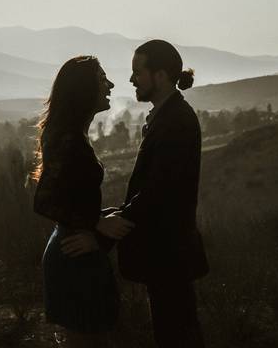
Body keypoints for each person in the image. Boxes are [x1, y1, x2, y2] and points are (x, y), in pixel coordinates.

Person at [32, 55, 135, 348]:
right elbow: (45, 201)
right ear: (83, 89)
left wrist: (104, 218)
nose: (111, 84)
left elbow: (73, 200)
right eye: (103, 79)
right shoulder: (68, 139)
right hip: (72, 253)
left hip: (76, 248)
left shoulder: (73, 135)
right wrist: (97, 222)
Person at [112, 40, 209, 347]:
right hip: (166, 255)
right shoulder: (166, 117)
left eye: (137, 72)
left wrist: (113, 222)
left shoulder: (176, 122)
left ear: (161, 75)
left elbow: (158, 192)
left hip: (170, 254)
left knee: (177, 336)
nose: (131, 80)